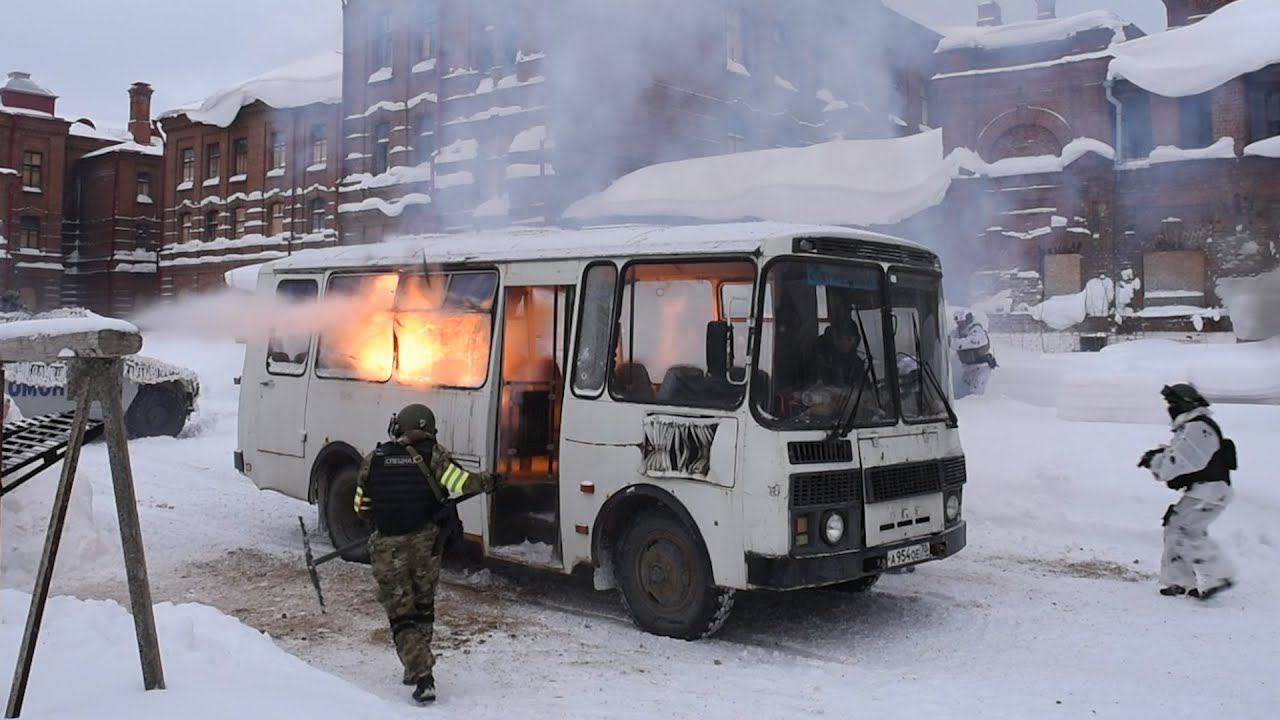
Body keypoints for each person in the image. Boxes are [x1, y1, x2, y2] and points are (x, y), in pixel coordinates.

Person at [354, 403, 500, 703]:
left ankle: (422, 676)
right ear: (429, 429)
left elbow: (360, 507)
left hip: (388, 549)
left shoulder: (374, 459)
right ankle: (415, 666)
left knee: (401, 615)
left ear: (400, 428)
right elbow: (462, 483)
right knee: (423, 607)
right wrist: (489, 480)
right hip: (426, 546)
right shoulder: (435, 457)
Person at [1138, 384, 1237, 600]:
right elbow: (1180, 456)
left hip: (1210, 491)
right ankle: (1181, 582)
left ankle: (1219, 575)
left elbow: (1180, 462)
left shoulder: (1199, 428)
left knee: (1186, 531)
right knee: (1176, 528)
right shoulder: (1192, 426)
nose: (1170, 408)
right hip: (1203, 491)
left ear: (1185, 404)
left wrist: (1156, 462)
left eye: (1173, 404)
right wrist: (1159, 455)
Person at [951, 310, 997, 397]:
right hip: (968, 368)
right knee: (963, 390)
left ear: (967, 320)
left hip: (981, 367)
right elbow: (949, 337)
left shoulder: (977, 330)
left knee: (975, 394)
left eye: (961, 322)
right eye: (958, 323)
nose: (959, 325)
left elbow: (969, 343)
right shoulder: (959, 331)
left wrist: (951, 342)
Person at [812, 321, 867, 388]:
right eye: (839, 337)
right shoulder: (825, 360)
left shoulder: (858, 363)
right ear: (833, 338)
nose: (844, 342)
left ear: (855, 339)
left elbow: (863, 388)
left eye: (848, 338)